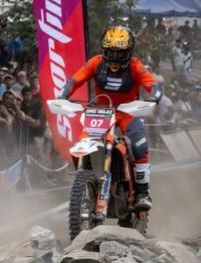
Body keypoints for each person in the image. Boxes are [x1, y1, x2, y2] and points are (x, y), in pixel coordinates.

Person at [60, 26, 162, 210]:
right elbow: (75, 80)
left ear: (129, 52)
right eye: (110, 52)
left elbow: (154, 86)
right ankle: (85, 177)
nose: (114, 58)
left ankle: (142, 193)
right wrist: (63, 95)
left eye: (120, 53)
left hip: (128, 111)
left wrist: (153, 97)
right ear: (104, 50)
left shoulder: (136, 66)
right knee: (83, 141)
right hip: (101, 110)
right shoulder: (95, 62)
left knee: (139, 146)